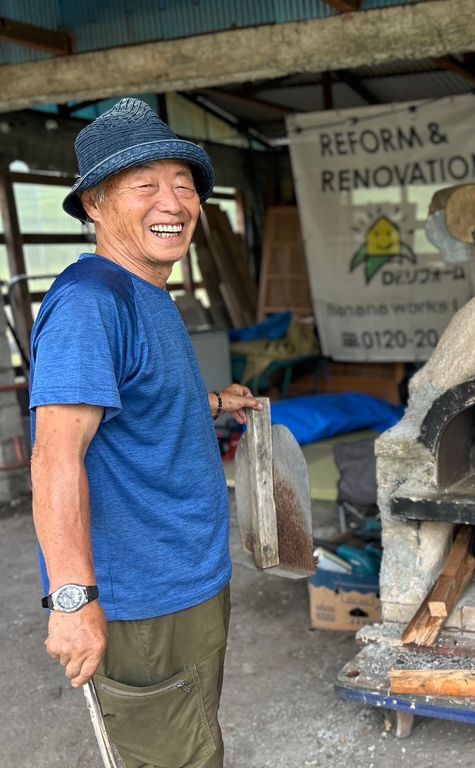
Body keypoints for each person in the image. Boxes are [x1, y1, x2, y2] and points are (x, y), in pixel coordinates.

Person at [31, 98, 261, 768]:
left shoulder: (145, 293)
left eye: (184, 185)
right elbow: (54, 458)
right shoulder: (90, 304)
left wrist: (216, 401)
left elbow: (137, 400)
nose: (173, 202)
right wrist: (73, 601)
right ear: (95, 204)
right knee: (172, 757)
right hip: (141, 599)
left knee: (194, 736)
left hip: (187, 578)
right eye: (145, 186)